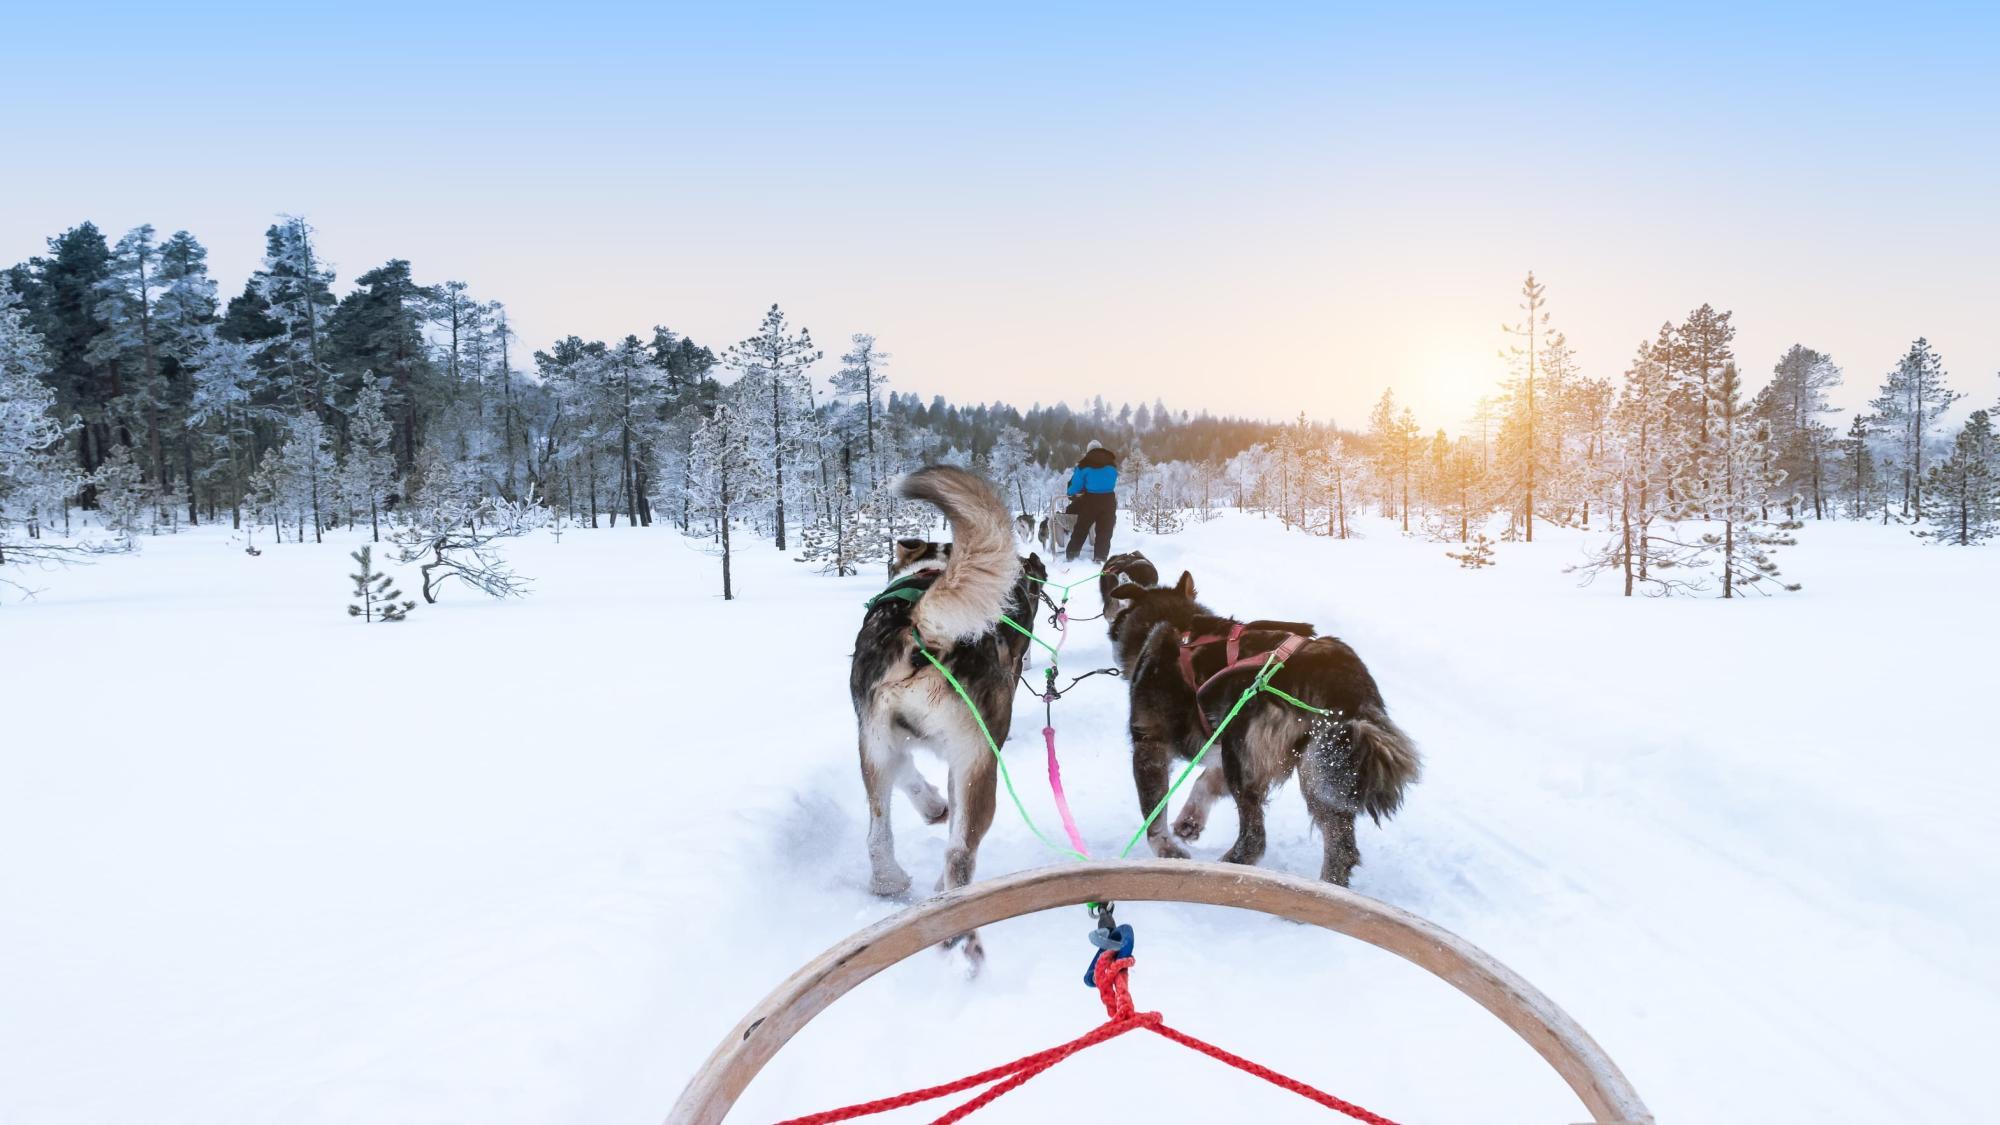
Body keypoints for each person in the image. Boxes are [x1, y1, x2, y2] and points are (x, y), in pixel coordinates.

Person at [1064, 440, 1119, 563]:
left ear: (1088, 451)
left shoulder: (1083, 465)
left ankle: (1071, 557)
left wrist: (1071, 493)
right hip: (1109, 499)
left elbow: (1075, 487)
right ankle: (1100, 558)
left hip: (1091, 500)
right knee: (1105, 532)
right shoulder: (1112, 464)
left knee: (1081, 529)